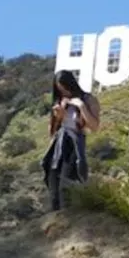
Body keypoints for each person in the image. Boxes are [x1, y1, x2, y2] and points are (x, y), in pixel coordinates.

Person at [41, 70, 101, 211]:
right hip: (58, 143)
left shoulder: (87, 99)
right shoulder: (58, 101)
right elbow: (52, 132)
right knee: (53, 184)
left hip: (74, 142)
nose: (65, 93)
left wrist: (81, 106)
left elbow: (94, 126)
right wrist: (59, 116)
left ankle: (68, 217)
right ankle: (55, 219)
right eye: (61, 90)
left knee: (66, 185)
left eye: (66, 89)